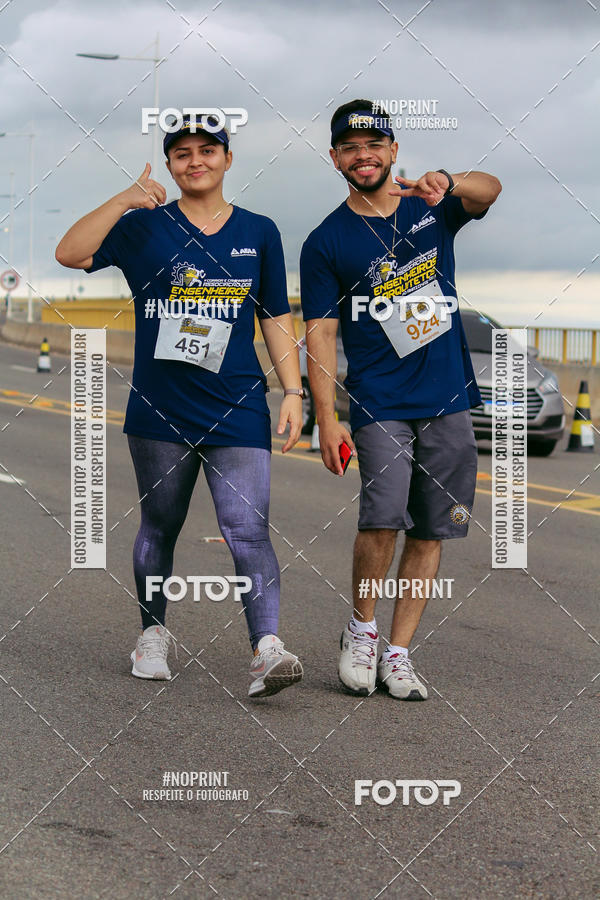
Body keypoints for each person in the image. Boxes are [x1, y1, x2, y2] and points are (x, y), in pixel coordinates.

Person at [56, 114, 304, 698]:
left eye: (207, 150)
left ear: (227, 159)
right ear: (169, 164)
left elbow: (274, 315)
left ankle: (267, 648)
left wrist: (293, 391)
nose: (196, 161)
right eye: (183, 153)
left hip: (238, 403)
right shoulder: (144, 228)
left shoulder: (260, 230)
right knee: (161, 525)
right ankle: (153, 634)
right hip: (160, 409)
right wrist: (124, 198)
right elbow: (70, 252)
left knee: (248, 527)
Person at [300, 99, 501, 700]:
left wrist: (451, 179)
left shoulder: (431, 208)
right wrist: (326, 418)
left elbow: (490, 190)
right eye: (350, 148)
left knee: (432, 530)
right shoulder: (325, 242)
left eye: (374, 145)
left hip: (446, 398)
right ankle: (361, 630)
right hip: (380, 399)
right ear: (335, 158)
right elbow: (321, 335)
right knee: (382, 517)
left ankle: (399, 652)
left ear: (393, 151)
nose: (364, 156)